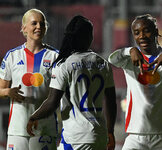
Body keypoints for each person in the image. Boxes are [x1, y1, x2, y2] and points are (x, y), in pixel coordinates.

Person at [26, 15, 117, 150]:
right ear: (90, 37)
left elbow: (52, 102)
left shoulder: (64, 64)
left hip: (76, 138)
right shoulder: (102, 63)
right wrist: (110, 131)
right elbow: (111, 102)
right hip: (99, 136)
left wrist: (34, 117)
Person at [108, 14, 162, 150]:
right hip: (136, 134)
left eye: (146, 30)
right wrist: (130, 50)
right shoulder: (130, 59)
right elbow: (112, 59)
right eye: (137, 33)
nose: (142, 36)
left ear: (156, 32)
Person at [0, 8, 61, 150]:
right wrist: (8, 92)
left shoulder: (55, 57)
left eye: (42, 24)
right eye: (34, 23)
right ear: (24, 28)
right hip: (17, 130)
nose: (39, 27)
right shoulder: (12, 56)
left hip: (45, 129)